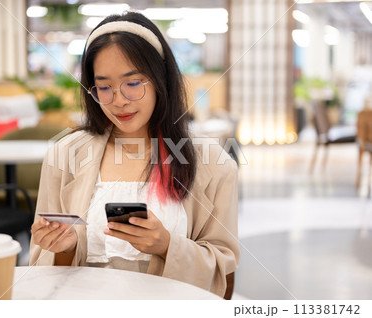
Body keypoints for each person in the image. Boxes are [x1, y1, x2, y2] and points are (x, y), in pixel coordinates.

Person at [29, 11, 239, 297]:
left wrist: (167, 246)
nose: (119, 101)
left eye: (133, 83)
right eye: (104, 87)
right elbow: (41, 274)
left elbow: (225, 283)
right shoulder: (64, 156)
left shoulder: (212, 163)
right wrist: (66, 248)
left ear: (160, 78)